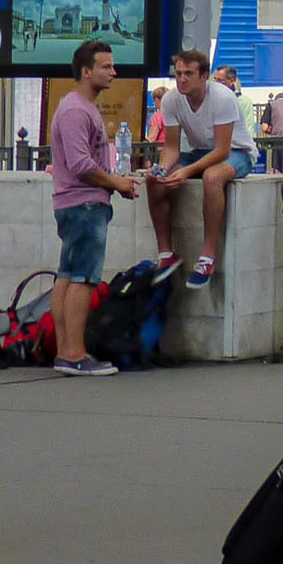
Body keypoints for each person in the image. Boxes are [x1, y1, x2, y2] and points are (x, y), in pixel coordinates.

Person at [47, 41, 140, 377]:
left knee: (67, 276)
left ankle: (64, 351)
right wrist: (116, 182)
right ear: (86, 72)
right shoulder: (76, 110)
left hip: (76, 203)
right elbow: (80, 163)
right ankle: (74, 353)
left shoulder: (79, 107)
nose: (114, 73)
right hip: (84, 204)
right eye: (106, 66)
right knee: (83, 278)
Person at [145, 48, 256, 289]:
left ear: (204, 76)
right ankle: (166, 254)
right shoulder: (172, 100)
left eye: (189, 74)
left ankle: (208, 256)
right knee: (153, 180)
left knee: (212, 177)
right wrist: (162, 169)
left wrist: (185, 171)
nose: (182, 79)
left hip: (238, 152)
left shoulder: (223, 97)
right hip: (201, 151)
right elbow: (171, 148)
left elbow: (223, 151)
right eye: (179, 74)